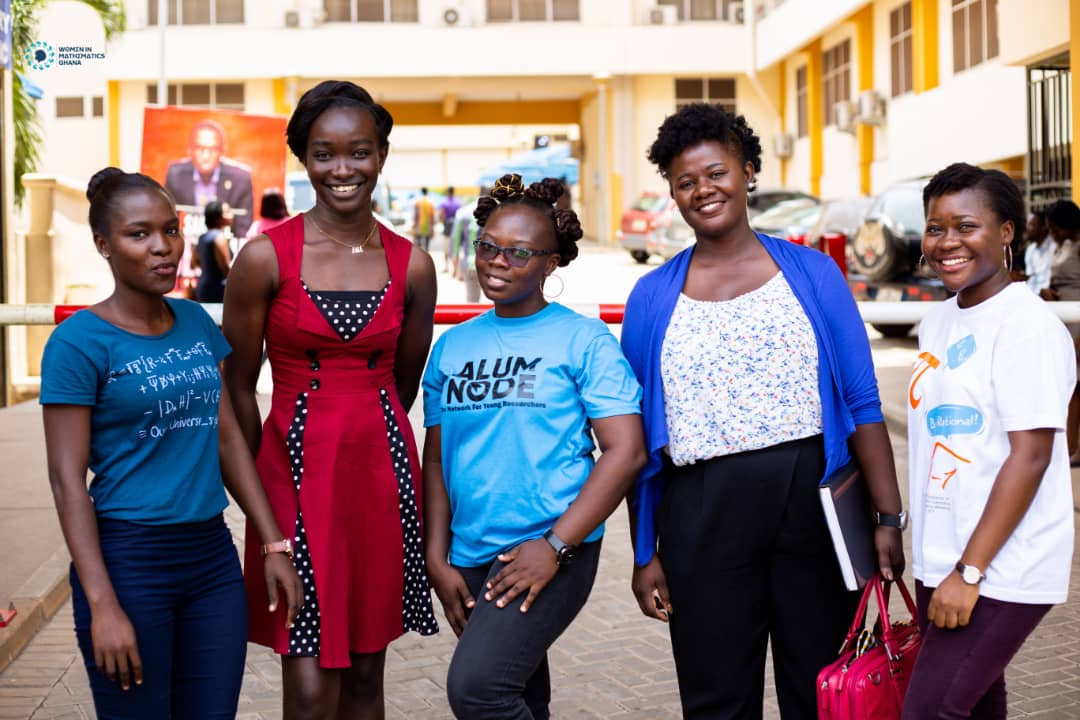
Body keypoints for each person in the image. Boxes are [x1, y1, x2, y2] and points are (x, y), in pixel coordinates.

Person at [620, 103, 905, 720]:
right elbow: (638, 440)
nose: (703, 190)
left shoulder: (813, 273)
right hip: (700, 509)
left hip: (812, 499)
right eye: (685, 181)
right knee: (717, 695)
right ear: (672, 193)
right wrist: (645, 552)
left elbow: (860, 401)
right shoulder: (650, 297)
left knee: (820, 685)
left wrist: (888, 516)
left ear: (748, 171)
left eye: (716, 172)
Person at [39, 167, 302, 718]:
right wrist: (102, 604)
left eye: (170, 229)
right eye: (139, 235)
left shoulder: (194, 323)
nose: (163, 248)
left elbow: (229, 439)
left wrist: (272, 543)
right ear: (104, 246)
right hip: (129, 561)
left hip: (210, 560)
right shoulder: (78, 343)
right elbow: (67, 483)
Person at [221, 80, 439, 719]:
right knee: (311, 684)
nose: (343, 170)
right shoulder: (264, 258)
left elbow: (404, 383)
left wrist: (363, 430)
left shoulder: (413, 265)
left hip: (379, 477)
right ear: (303, 158)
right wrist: (266, 501)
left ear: (381, 155)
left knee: (368, 676)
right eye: (324, 154)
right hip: (294, 477)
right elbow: (237, 385)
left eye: (359, 152)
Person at [421, 173, 646, 719]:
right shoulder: (452, 346)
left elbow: (626, 451)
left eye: (519, 252)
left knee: (479, 690)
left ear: (551, 263)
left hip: (550, 549)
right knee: (520, 694)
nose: (497, 261)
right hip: (473, 552)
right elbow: (437, 458)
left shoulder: (583, 339)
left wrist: (556, 545)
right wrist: (435, 553)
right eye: (488, 247)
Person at [902, 163, 1075, 719]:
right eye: (936, 227)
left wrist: (969, 572)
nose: (948, 242)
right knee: (975, 706)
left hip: (1000, 564)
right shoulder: (939, 322)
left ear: (1007, 232)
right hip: (943, 555)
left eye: (966, 226)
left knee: (929, 711)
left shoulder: (1027, 326)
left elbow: (1031, 456)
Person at [165, 119, 255, 237]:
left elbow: (243, 227)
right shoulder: (175, 174)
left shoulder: (241, 179)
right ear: (190, 150)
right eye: (200, 148)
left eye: (213, 149)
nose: (206, 156)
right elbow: (167, 220)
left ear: (222, 151)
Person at [1040, 199, 1080, 462]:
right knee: (1068, 381)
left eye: (1055, 228)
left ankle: (1072, 448)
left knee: (1075, 384)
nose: (1052, 234)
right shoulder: (1063, 247)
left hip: (1078, 319)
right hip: (1061, 315)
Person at [194, 199, 233, 303]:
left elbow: (194, 262)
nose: (231, 215)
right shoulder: (219, 237)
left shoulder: (202, 237)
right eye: (227, 212)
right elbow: (226, 268)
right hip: (217, 291)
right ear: (217, 217)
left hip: (203, 288)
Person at [1023, 210, 1054, 293]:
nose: (1026, 228)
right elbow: (1030, 279)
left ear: (1043, 227)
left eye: (1031, 224)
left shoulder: (1054, 247)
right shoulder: (1030, 250)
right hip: (1033, 297)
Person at [439, 186, 462, 273]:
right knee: (455, 248)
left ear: (447, 192)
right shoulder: (458, 203)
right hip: (456, 227)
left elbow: (441, 215)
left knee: (446, 248)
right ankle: (455, 268)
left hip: (447, 227)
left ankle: (446, 266)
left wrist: (443, 221)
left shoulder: (444, 202)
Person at [413, 186, 435, 251]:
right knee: (427, 246)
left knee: (418, 245)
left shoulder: (417, 202)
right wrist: (432, 227)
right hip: (428, 226)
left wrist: (414, 225)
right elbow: (432, 216)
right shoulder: (430, 202)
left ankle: (419, 258)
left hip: (419, 226)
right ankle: (426, 257)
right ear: (427, 192)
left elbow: (416, 215)